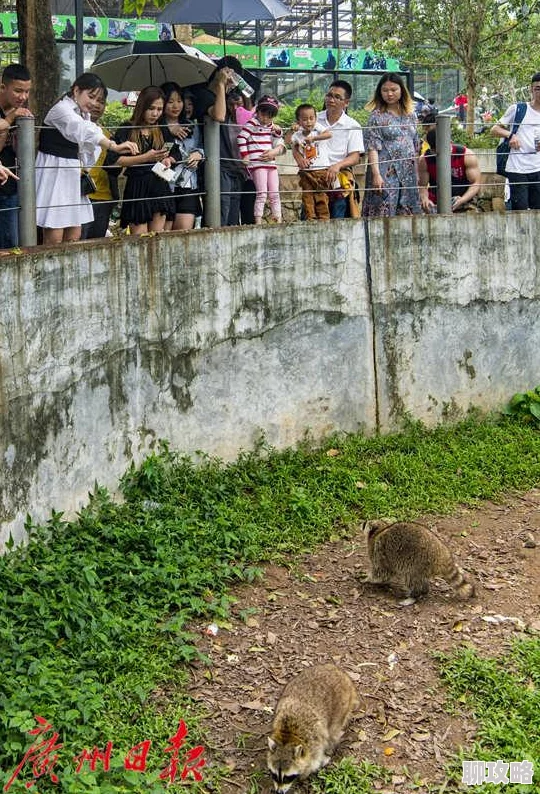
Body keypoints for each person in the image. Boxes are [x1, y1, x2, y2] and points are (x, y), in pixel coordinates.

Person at [35, 73, 138, 246]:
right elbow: (82, 129)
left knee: (75, 232)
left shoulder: (84, 115)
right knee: (55, 233)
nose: (94, 103)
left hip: (72, 174)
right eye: (90, 96)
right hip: (55, 172)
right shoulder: (61, 110)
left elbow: (88, 137)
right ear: (76, 90)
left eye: (98, 100)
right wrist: (112, 145)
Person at [108, 86, 176, 236]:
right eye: (151, 108)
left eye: (159, 109)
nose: (155, 113)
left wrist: (167, 159)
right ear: (142, 106)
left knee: (157, 238)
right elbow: (113, 160)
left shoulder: (161, 128)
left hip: (159, 183)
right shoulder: (127, 128)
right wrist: (145, 158)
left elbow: (174, 152)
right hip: (137, 186)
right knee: (140, 240)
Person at [361, 72, 422, 217]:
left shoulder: (411, 115)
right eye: (385, 90)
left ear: (401, 90)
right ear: (379, 92)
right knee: (383, 212)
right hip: (385, 172)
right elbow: (372, 147)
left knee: (408, 215)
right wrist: (376, 174)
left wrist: (417, 173)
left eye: (393, 90)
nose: (389, 94)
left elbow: (415, 146)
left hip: (408, 173)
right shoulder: (376, 116)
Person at [314, 79, 364, 218]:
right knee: (311, 217)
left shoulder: (353, 125)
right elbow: (292, 141)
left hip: (339, 178)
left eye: (337, 97)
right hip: (315, 176)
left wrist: (337, 166)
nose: (331, 100)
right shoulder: (313, 119)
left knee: (338, 218)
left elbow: (355, 156)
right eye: (329, 95)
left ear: (346, 102)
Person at [491, 72, 540, 211]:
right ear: (531, 89)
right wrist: (510, 135)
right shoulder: (518, 109)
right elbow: (494, 129)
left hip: (538, 167)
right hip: (517, 168)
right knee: (520, 210)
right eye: (537, 88)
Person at [159, 82, 204, 231]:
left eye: (179, 101)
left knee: (184, 233)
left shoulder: (191, 125)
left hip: (188, 184)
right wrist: (169, 131)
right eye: (170, 102)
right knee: (164, 234)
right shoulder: (157, 126)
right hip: (165, 184)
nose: (176, 106)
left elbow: (200, 147)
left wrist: (199, 154)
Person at [236, 95, 286, 224]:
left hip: (271, 163)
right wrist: (245, 155)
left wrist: (278, 131)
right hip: (257, 164)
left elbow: (278, 136)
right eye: (263, 114)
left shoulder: (270, 124)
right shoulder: (252, 123)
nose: (266, 118)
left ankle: (278, 218)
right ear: (257, 111)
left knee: (275, 193)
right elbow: (241, 137)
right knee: (262, 193)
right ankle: (258, 220)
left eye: (270, 115)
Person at [0, 63, 32, 249]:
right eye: (18, 91)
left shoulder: (16, 110)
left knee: (12, 244)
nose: (23, 97)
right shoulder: (11, 113)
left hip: (10, 186)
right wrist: (10, 120)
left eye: (27, 91)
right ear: (3, 87)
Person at [80, 95, 117, 240]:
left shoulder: (108, 135)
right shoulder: (74, 129)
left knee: (98, 243)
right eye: (94, 100)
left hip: (103, 197)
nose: (97, 106)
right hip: (82, 195)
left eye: (101, 102)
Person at [418, 128, 482, 213]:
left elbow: (476, 183)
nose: (441, 154)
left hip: (464, 198)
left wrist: (462, 200)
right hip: (436, 201)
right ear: (432, 149)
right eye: (437, 152)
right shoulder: (424, 160)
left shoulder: (466, 155)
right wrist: (425, 199)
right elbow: (422, 185)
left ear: (450, 143)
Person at [290, 103, 333, 220]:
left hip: (321, 170)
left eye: (311, 118)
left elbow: (329, 134)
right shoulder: (297, 134)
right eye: (304, 119)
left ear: (315, 118)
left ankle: (324, 218)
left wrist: (314, 138)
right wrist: (292, 129)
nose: (309, 122)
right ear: (298, 121)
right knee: (307, 196)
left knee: (321, 195)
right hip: (306, 171)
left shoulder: (317, 128)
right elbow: (291, 143)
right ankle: (311, 218)